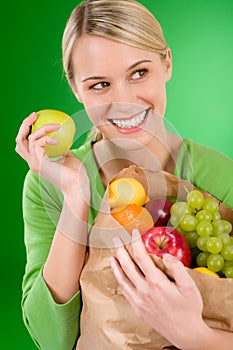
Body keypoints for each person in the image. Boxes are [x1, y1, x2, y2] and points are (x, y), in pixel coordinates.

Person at [15, 0, 233, 349]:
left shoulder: (218, 176)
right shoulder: (48, 183)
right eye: (100, 85)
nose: (125, 100)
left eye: (139, 73)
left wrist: (196, 336)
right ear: (75, 89)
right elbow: (51, 339)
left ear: (167, 64)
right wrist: (75, 195)